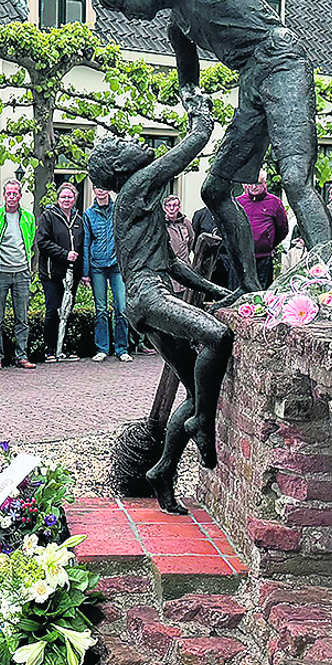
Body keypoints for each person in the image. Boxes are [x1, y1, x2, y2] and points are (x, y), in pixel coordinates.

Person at [92, 0, 332, 290]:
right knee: (214, 190)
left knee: (295, 176)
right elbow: (188, 76)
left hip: (280, 61)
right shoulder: (177, 27)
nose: (127, 16)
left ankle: (327, 279)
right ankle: (248, 287)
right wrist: (192, 103)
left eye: (124, 5)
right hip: (251, 80)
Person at [89, 80, 233, 512]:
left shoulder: (139, 204)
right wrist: (199, 112)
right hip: (149, 298)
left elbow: (171, 264)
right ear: (118, 167)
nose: (132, 142)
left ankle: (162, 470)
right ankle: (204, 423)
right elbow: (191, 146)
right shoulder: (135, 186)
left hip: (145, 299)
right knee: (218, 339)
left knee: (194, 386)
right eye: (122, 143)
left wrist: (216, 290)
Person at [0, 180, 37, 369]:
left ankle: (21, 356)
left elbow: (30, 242)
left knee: (22, 317)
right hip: (1, 272)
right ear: (4, 195)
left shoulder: (28, 217)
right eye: (8, 193)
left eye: (15, 193)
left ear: (20, 196)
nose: (12, 197)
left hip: (22, 272)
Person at [36, 181, 86, 362]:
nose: (66, 200)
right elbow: (42, 242)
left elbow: (82, 246)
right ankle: (49, 350)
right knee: (53, 310)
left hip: (72, 275)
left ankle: (63, 348)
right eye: (63, 197)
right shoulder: (48, 216)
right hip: (52, 273)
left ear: (75, 199)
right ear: (58, 199)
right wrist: (64, 254)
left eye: (70, 197)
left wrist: (83, 272)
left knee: (67, 312)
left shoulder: (79, 220)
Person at [81, 184, 131, 360]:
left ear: (108, 189)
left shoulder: (119, 210)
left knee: (122, 308)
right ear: (93, 190)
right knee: (101, 309)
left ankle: (122, 349)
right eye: (97, 187)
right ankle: (102, 348)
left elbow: (127, 237)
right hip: (97, 267)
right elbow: (86, 243)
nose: (101, 190)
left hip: (117, 266)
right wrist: (85, 272)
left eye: (103, 187)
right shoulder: (88, 214)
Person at [237, 173, 290, 287]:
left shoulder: (274, 203)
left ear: (265, 184)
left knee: (262, 293)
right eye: (251, 183)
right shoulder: (239, 203)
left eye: (258, 183)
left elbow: (282, 229)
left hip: (263, 258)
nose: (254, 187)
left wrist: (269, 243)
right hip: (241, 259)